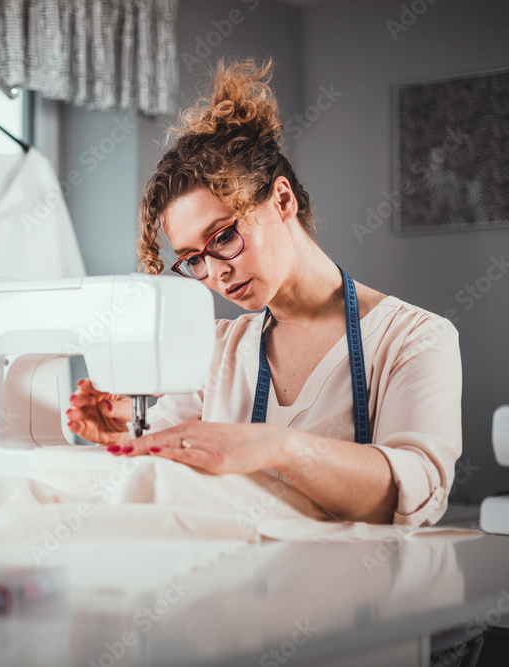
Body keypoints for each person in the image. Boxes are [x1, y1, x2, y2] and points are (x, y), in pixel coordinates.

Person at [66, 60, 462, 527]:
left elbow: (411, 494)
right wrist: (128, 429)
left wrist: (277, 447)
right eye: (194, 259)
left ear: (282, 199)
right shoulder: (216, 349)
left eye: (223, 237)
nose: (215, 272)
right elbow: (170, 462)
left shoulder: (413, 339)